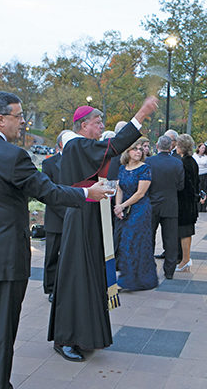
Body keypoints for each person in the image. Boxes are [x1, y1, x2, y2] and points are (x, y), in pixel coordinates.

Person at [0, 91, 98, 388]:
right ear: (1, 119)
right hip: (5, 258)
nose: (23, 122)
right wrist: (85, 193)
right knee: (1, 329)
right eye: (18, 116)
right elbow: (49, 191)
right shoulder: (13, 156)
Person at [48, 97, 158, 362]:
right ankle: (66, 339)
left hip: (90, 214)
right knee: (77, 276)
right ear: (83, 125)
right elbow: (115, 146)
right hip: (81, 216)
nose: (101, 128)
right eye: (97, 124)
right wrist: (141, 113)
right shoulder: (76, 144)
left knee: (90, 275)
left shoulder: (81, 146)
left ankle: (87, 335)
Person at [114, 140, 157, 290]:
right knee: (124, 243)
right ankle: (128, 277)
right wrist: (117, 207)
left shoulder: (145, 168)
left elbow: (140, 193)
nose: (139, 151)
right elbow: (119, 189)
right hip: (124, 208)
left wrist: (122, 206)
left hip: (140, 210)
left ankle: (136, 280)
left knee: (133, 242)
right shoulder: (122, 168)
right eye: (135, 149)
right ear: (127, 152)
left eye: (140, 149)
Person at [146, 135, 184, 278]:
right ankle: (169, 271)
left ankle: (150, 268)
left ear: (157, 146)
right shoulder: (177, 163)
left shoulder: (149, 161)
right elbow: (181, 185)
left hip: (152, 203)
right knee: (170, 239)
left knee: (149, 237)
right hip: (170, 204)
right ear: (171, 147)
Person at [41, 132, 67, 302]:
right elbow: (47, 193)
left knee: (69, 256)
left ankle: (67, 287)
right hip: (56, 217)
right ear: (60, 145)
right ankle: (51, 288)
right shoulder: (48, 163)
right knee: (52, 255)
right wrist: (66, 212)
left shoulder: (80, 163)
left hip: (76, 217)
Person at [175, 134, 199, 273]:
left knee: (184, 232)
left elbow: (186, 184)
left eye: (178, 145)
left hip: (184, 203)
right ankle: (186, 259)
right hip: (189, 202)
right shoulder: (191, 161)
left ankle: (185, 260)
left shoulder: (185, 162)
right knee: (186, 232)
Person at [194, 143, 207, 212]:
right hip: (197, 175)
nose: (203, 149)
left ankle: (204, 206)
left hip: (205, 174)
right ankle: (198, 206)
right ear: (198, 148)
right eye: (202, 148)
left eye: (204, 148)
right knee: (198, 189)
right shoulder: (194, 155)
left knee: (204, 189)